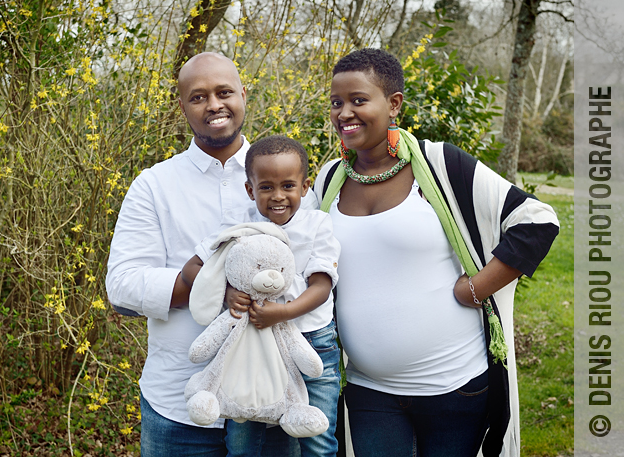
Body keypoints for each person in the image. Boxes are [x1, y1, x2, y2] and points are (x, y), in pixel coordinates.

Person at [313, 48, 560, 457]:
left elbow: (537, 220)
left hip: (454, 389)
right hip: (368, 390)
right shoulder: (329, 180)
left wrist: (477, 288)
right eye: (336, 103)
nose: (344, 113)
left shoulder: (440, 165)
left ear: (393, 105)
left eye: (358, 100)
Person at [105, 53, 299, 457]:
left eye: (224, 92)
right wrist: (209, 286)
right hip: (179, 406)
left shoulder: (285, 174)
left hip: (271, 403)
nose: (214, 104)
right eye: (199, 97)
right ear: (183, 107)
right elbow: (122, 285)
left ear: (243, 94)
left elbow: (313, 274)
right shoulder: (153, 185)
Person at [182, 135, 342, 457]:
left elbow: (321, 287)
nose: (278, 196)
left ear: (305, 186)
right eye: (266, 187)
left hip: (313, 343)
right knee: (243, 440)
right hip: (252, 347)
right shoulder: (240, 225)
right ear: (250, 190)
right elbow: (192, 269)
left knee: (317, 438)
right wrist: (226, 292)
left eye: (288, 186)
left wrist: (282, 313)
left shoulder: (317, 225)